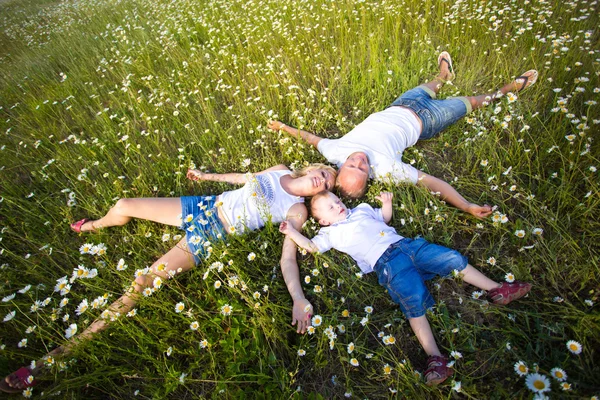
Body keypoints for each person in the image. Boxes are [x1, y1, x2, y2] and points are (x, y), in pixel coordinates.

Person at [1, 163, 336, 394]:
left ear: (318, 195)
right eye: (323, 172)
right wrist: (207, 175)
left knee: (143, 283)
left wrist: (298, 297)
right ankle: (93, 225)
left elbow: (287, 256)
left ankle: (52, 359)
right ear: (310, 169)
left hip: (211, 233)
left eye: (329, 183)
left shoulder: (297, 210)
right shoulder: (279, 170)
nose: (323, 179)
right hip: (202, 204)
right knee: (122, 204)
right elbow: (243, 178)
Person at [279, 190, 532, 385]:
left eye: (337, 201)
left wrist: (386, 203)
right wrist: (292, 232)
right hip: (387, 264)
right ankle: (435, 358)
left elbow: (384, 218)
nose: (338, 206)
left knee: (451, 258)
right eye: (331, 208)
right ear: (323, 221)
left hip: (408, 245)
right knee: (413, 301)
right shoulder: (330, 235)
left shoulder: (363, 209)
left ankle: (497, 289)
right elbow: (310, 247)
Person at [269, 51, 538, 217]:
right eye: (362, 169)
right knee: (471, 102)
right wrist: (466, 205)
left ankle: (444, 75)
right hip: (429, 119)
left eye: (352, 164)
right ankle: (507, 90)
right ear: (369, 177)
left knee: (426, 86)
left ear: (340, 167)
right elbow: (434, 184)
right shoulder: (387, 170)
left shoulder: (335, 151)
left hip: (401, 104)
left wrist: (283, 128)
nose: (359, 160)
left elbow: (309, 138)